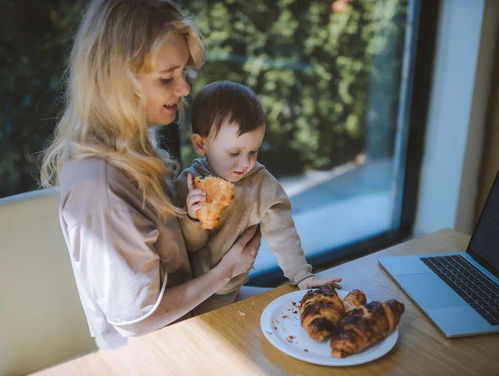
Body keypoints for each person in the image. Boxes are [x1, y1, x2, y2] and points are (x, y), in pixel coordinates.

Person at [39, 0, 261, 349]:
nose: (185, 88)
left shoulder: (134, 144)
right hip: (157, 353)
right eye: (167, 77)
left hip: (191, 321)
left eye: (183, 72)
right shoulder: (100, 188)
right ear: (117, 81)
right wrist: (226, 271)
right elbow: (139, 319)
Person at [175, 81, 342, 314]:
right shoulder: (189, 183)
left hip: (233, 290)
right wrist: (193, 218)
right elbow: (187, 246)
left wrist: (302, 275)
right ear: (200, 144)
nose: (245, 163)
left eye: (253, 151)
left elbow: (282, 233)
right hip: (190, 296)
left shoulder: (262, 185)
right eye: (234, 153)